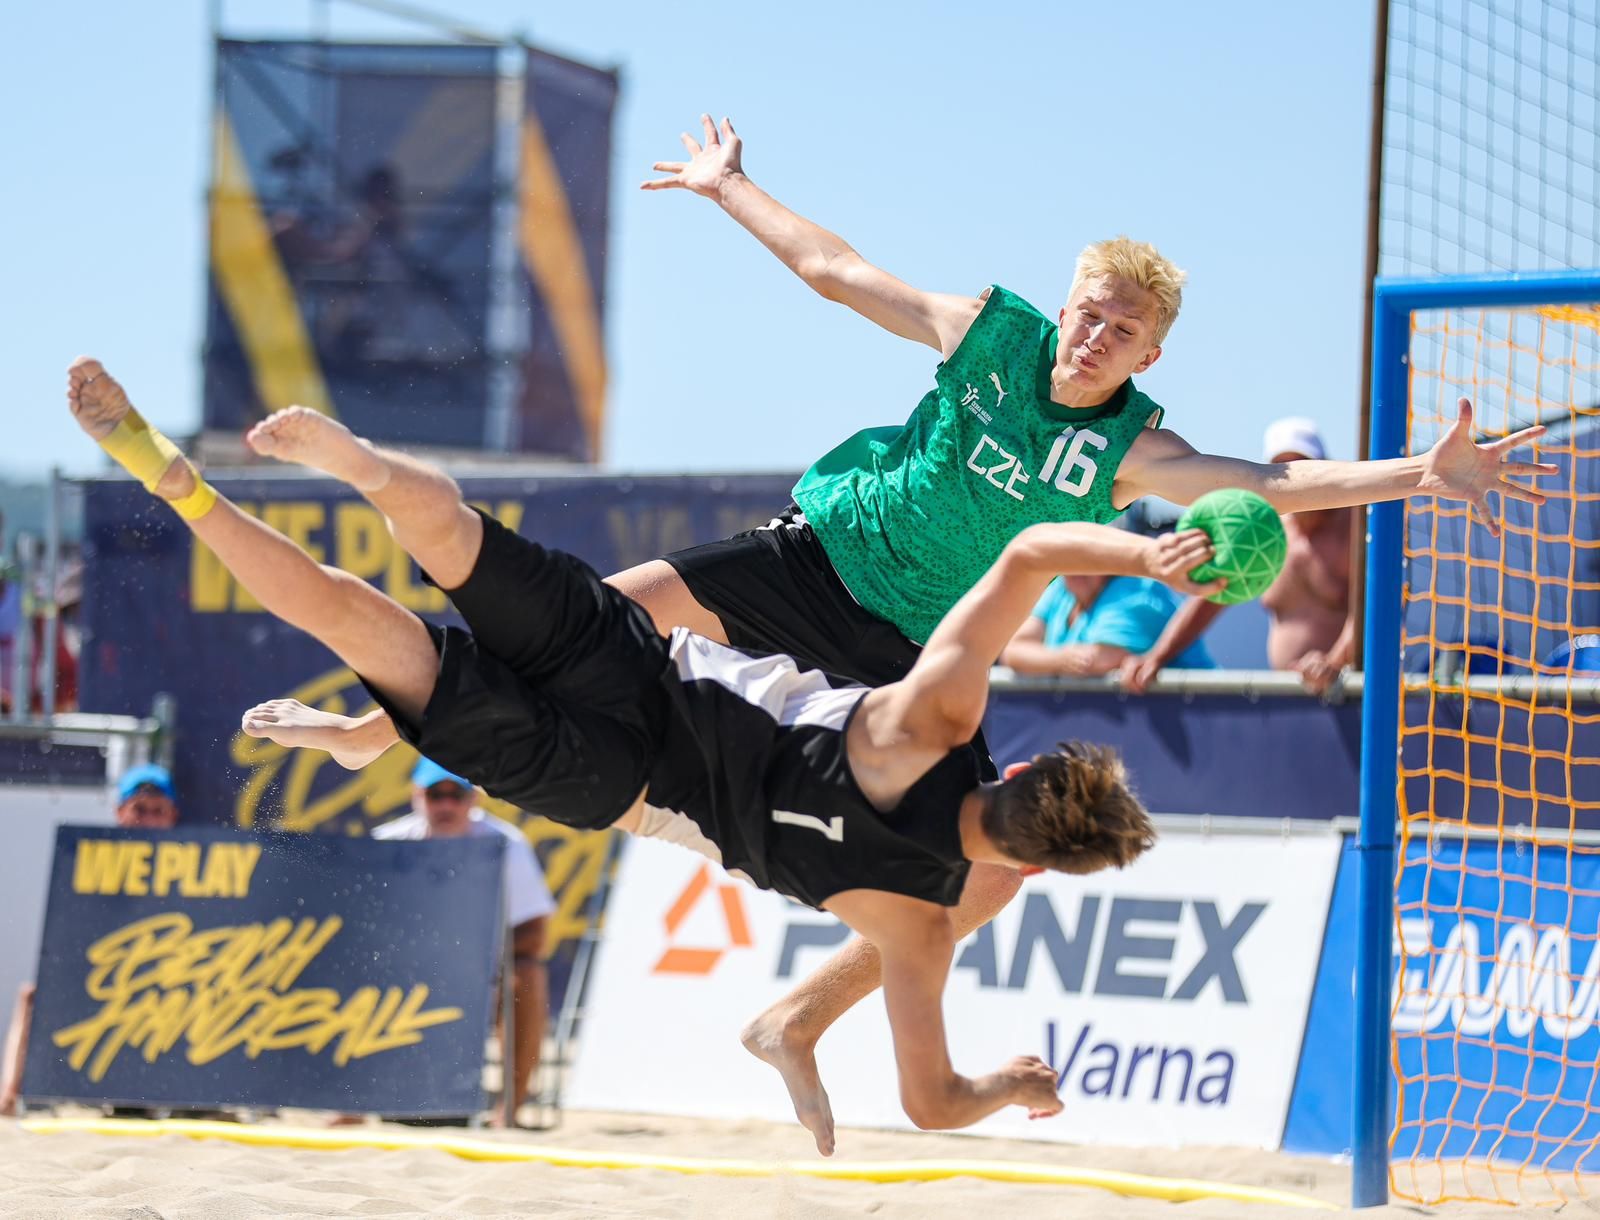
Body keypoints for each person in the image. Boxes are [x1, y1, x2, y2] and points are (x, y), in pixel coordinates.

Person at [67, 359, 1222, 1151]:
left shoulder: (931, 728)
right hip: (616, 784)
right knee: (355, 621)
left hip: (644, 666)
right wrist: (1006, 1084)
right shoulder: (918, 928)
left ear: (1017, 773)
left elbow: (1022, 554)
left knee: (458, 538)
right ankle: (173, 477)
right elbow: (927, 1101)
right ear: (1037, 866)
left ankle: (368, 469)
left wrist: (1145, 559)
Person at [370, 756, 556, 1122]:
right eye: (436, 794)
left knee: (528, 976)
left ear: (475, 800)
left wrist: (470, 960)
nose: (446, 805)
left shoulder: (506, 844)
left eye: (457, 794)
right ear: (416, 796)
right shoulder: (386, 843)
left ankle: (509, 1112)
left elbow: (535, 934)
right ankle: (349, 1107)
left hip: (480, 974)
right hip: (403, 975)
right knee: (345, 970)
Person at [1119, 419, 1355, 694]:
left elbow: (1375, 606)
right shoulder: (1267, 532)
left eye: (1304, 466)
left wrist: (1334, 662)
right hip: (1292, 699)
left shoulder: (1353, 529)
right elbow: (1211, 596)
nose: (1299, 480)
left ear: (1322, 467)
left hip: (1349, 696)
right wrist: (1156, 656)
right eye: (1286, 470)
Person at [0, 762, 181, 1115]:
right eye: (139, 810)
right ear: (119, 812)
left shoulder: (196, 863)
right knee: (32, 994)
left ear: (172, 815)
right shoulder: (90, 860)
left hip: (165, 978)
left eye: (156, 811)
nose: (147, 820)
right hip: (106, 978)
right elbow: (72, 937)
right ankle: (8, 1098)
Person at [999, 570, 1215, 677]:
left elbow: (1101, 660)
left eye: (1091, 550)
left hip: (1200, 723)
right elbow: (1012, 652)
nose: (1077, 564)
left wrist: (1044, 659)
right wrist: (1063, 658)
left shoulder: (1136, 589)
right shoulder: (1061, 586)